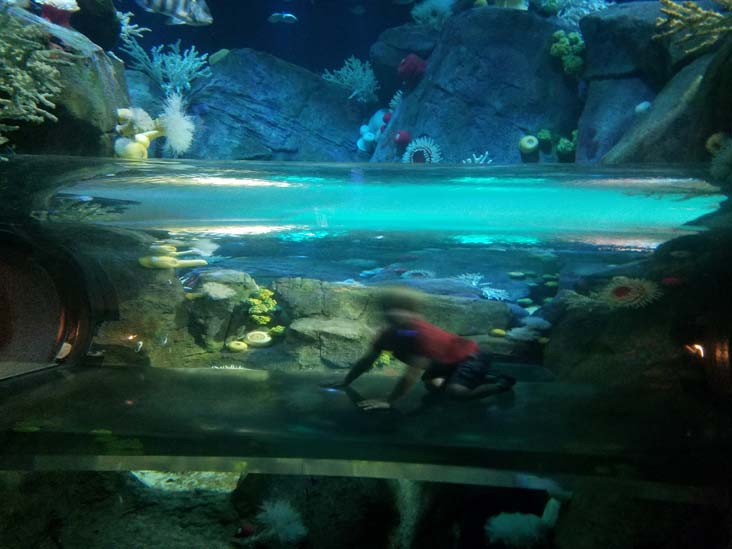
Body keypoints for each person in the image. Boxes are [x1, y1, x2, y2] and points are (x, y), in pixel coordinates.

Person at [325, 286, 516, 411]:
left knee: (455, 393)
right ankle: (481, 377)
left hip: (471, 356)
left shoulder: (421, 335)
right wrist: (346, 381)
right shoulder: (390, 333)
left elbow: (412, 373)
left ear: (414, 312)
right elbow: (370, 359)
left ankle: (501, 383)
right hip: (445, 363)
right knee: (433, 387)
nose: (393, 313)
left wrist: (389, 400)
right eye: (388, 307)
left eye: (401, 308)